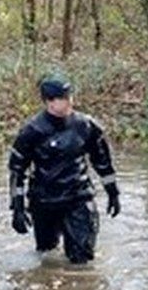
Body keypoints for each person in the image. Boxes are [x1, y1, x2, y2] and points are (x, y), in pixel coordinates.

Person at [7, 75, 121, 264]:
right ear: (49, 102)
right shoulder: (31, 131)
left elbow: (102, 162)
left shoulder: (86, 125)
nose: (70, 101)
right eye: (63, 98)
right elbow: (17, 170)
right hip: (44, 200)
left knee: (81, 259)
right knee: (47, 256)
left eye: (70, 96)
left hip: (78, 197)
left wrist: (113, 192)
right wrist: (17, 206)